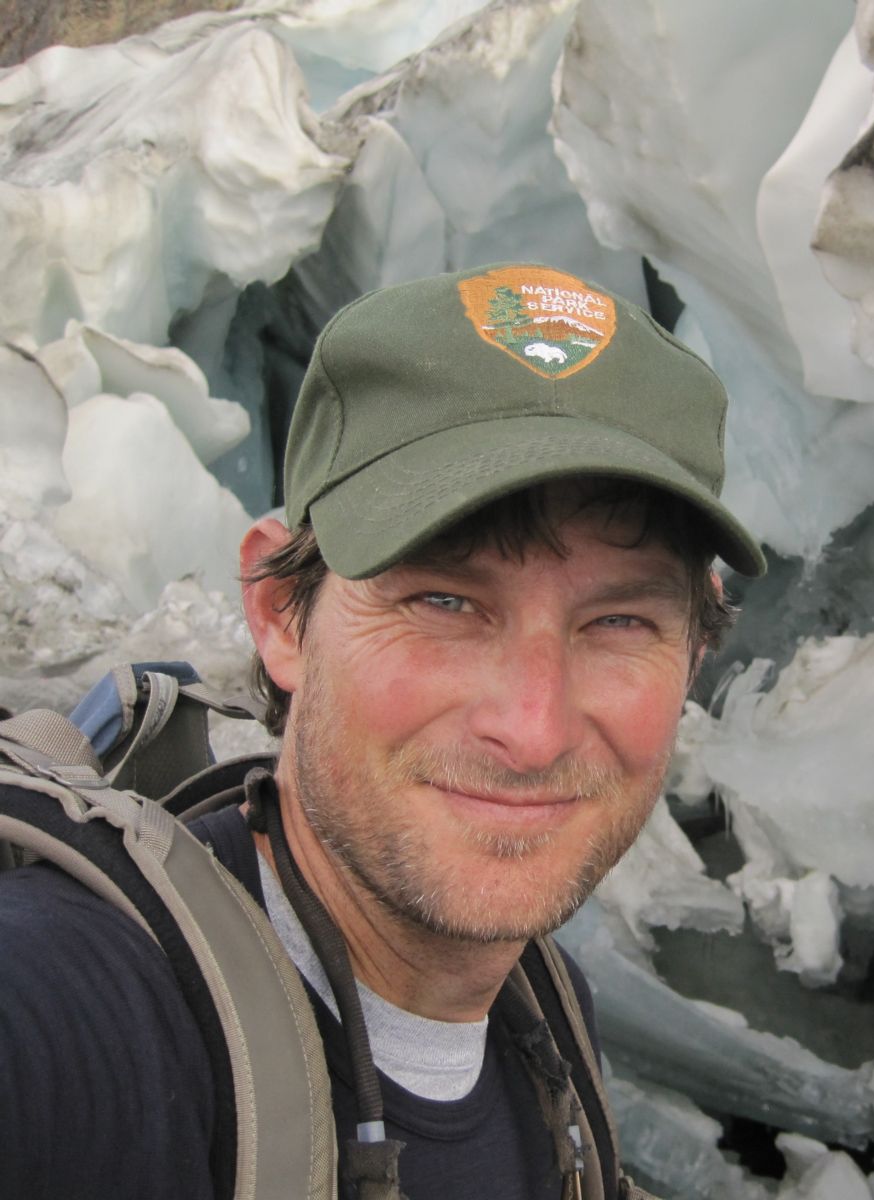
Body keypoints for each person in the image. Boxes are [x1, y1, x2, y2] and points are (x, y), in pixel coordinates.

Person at [0, 263, 766, 1198]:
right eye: (445, 601)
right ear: (282, 612)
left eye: (619, 623)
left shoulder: (547, 1019)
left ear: (695, 651)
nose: (532, 729)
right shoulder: (82, 1017)